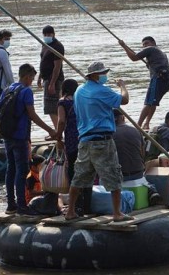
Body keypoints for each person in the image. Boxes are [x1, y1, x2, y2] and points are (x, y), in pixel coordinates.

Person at [65, 61, 133, 222]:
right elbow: (124, 100)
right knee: (113, 175)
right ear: (94, 75)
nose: (105, 76)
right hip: (102, 140)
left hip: (84, 140)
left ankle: (70, 211)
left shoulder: (79, 91)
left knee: (79, 177)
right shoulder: (101, 90)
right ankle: (117, 213)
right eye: (103, 73)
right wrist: (122, 86)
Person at [2, 64, 56, 215]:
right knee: (22, 170)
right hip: (20, 136)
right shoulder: (26, 91)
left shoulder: (8, 89)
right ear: (27, 77)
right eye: (32, 78)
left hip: (7, 135)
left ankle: (11, 205)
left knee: (11, 169)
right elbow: (32, 114)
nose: (32, 81)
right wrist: (50, 130)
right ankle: (22, 206)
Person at [119, 36, 169, 130]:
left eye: (146, 43)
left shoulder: (151, 49)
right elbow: (153, 64)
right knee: (153, 102)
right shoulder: (161, 53)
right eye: (143, 45)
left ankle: (138, 126)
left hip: (159, 78)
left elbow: (134, 58)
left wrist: (123, 46)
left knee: (149, 102)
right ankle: (146, 123)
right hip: (168, 79)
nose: (145, 46)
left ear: (153, 43)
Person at [55, 78, 92, 214]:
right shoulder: (82, 100)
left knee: (73, 173)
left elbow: (61, 121)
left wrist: (58, 136)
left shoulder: (63, 102)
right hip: (85, 137)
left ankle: (76, 206)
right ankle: (87, 207)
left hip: (72, 141)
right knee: (87, 172)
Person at [38, 25, 65, 128]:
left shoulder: (57, 46)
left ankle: (58, 130)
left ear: (53, 34)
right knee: (49, 107)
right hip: (46, 78)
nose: (47, 36)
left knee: (53, 107)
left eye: (49, 34)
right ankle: (57, 129)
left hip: (54, 80)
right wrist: (40, 77)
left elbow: (57, 67)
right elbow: (43, 61)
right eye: (45, 34)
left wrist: (52, 83)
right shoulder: (45, 44)